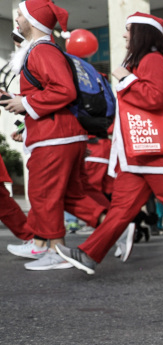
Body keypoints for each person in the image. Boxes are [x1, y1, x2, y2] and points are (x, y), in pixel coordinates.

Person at [55, 12, 163, 279]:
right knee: (121, 210)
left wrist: (125, 78)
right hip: (142, 155)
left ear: (142, 34)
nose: (124, 35)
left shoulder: (153, 60)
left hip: (157, 155)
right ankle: (89, 254)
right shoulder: (149, 60)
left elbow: (154, 98)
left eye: (129, 30)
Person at [1, 0, 107, 271]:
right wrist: (19, 101)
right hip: (61, 134)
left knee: (44, 195)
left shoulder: (42, 50)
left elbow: (64, 91)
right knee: (63, 194)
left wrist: (24, 104)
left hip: (55, 136)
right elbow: (52, 90)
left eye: (20, 15)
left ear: (32, 21)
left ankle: (56, 251)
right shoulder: (44, 49)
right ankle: (112, 226)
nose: (16, 20)